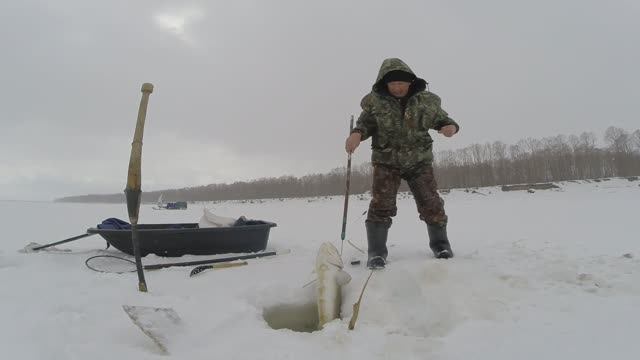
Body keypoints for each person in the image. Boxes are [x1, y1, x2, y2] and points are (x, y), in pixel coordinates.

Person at [345, 58, 460, 269]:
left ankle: (441, 245)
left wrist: (449, 127)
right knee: (381, 205)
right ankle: (377, 253)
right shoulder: (375, 103)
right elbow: (365, 125)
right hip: (386, 161)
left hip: (419, 160)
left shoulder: (426, 101)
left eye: (402, 83)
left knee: (431, 203)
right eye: (393, 84)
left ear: (410, 82)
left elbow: (442, 119)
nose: (397, 87)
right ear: (384, 84)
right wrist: (356, 135)